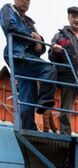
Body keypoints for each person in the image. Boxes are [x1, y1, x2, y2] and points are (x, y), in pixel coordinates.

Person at [0, 0, 57, 130]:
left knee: (27, 94)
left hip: (28, 58)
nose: (26, 1)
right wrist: (33, 40)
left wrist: (40, 41)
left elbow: (40, 46)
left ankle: (28, 127)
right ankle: (44, 101)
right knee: (49, 69)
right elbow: (10, 27)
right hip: (18, 55)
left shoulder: (29, 22)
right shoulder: (8, 9)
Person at [48, 6, 78, 135]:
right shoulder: (59, 36)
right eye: (74, 16)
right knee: (65, 111)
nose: (76, 20)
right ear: (69, 17)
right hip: (68, 78)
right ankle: (65, 136)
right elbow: (51, 56)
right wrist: (55, 51)